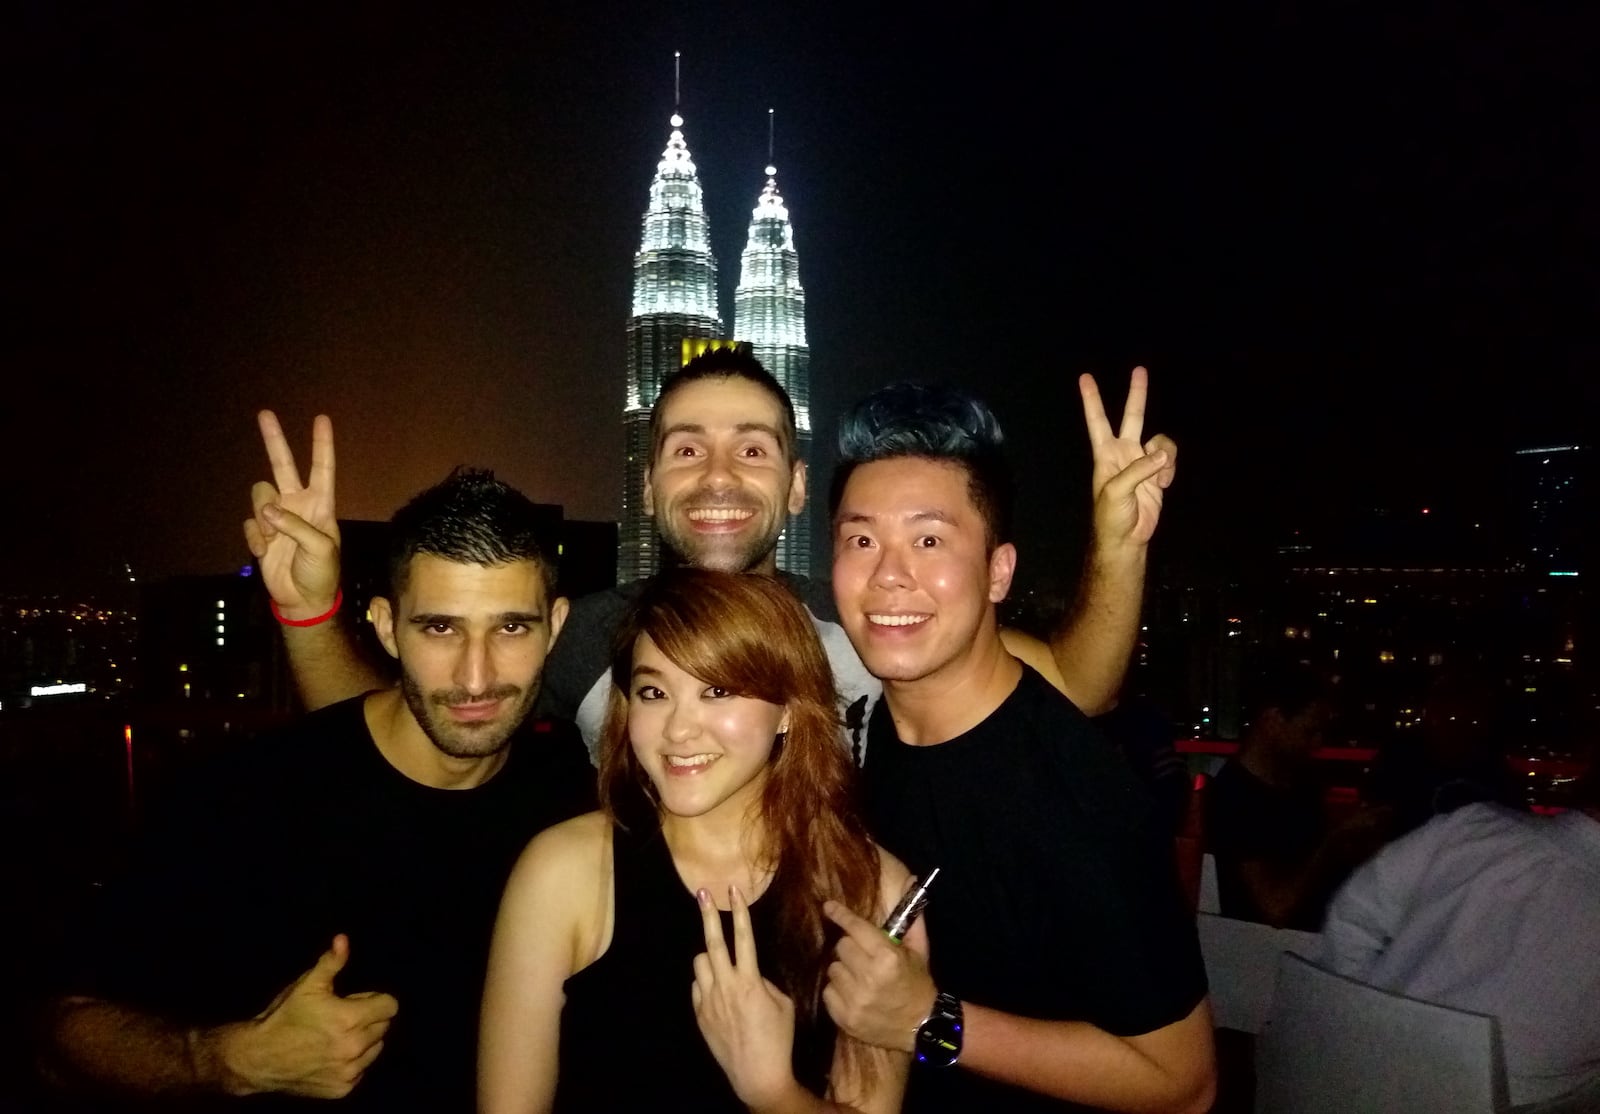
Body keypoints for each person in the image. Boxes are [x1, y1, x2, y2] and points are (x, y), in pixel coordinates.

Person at [245, 349, 1178, 763]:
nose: (719, 473)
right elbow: (407, 727)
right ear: (650, 483)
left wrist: (1120, 542)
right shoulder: (590, 634)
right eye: (686, 447)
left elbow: (1075, 688)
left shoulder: (863, 625)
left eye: (754, 448)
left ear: (799, 486)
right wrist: (306, 610)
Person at [39, 469, 595, 1110]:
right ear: (387, 627)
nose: (476, 676)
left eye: (511, 628)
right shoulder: (247, 801)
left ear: (554, 626)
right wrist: (230, 1058)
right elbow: (57, 1037)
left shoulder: (572, 802)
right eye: (440, 628)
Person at [817, 383, 1215, 1114]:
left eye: (930, 539)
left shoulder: (1074, 793)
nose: (888, 575)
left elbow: (1183, 1082)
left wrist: (929, 1022)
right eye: (861, 539)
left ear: (999, 572)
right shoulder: (872, 728)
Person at [478, 568, 921, 1113]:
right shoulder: (562, 873)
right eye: (654, 692)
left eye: (717, 690)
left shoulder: (873, 889)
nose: (678, 730)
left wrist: (773, 1091)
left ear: (787, 709)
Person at [1321, 749, 1600, 1108]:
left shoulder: (1473, 822)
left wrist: (1363, 1019)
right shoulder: (1461, 809)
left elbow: (1353, 916)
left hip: (1344, 1076)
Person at [1206, 665, 1390, 929]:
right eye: (1309, 731)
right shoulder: (1234, 799)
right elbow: (1275, 909)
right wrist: (1332, 840)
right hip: (1267, 949)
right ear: (1273, 720)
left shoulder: (1300, 781)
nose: (1318, 743)